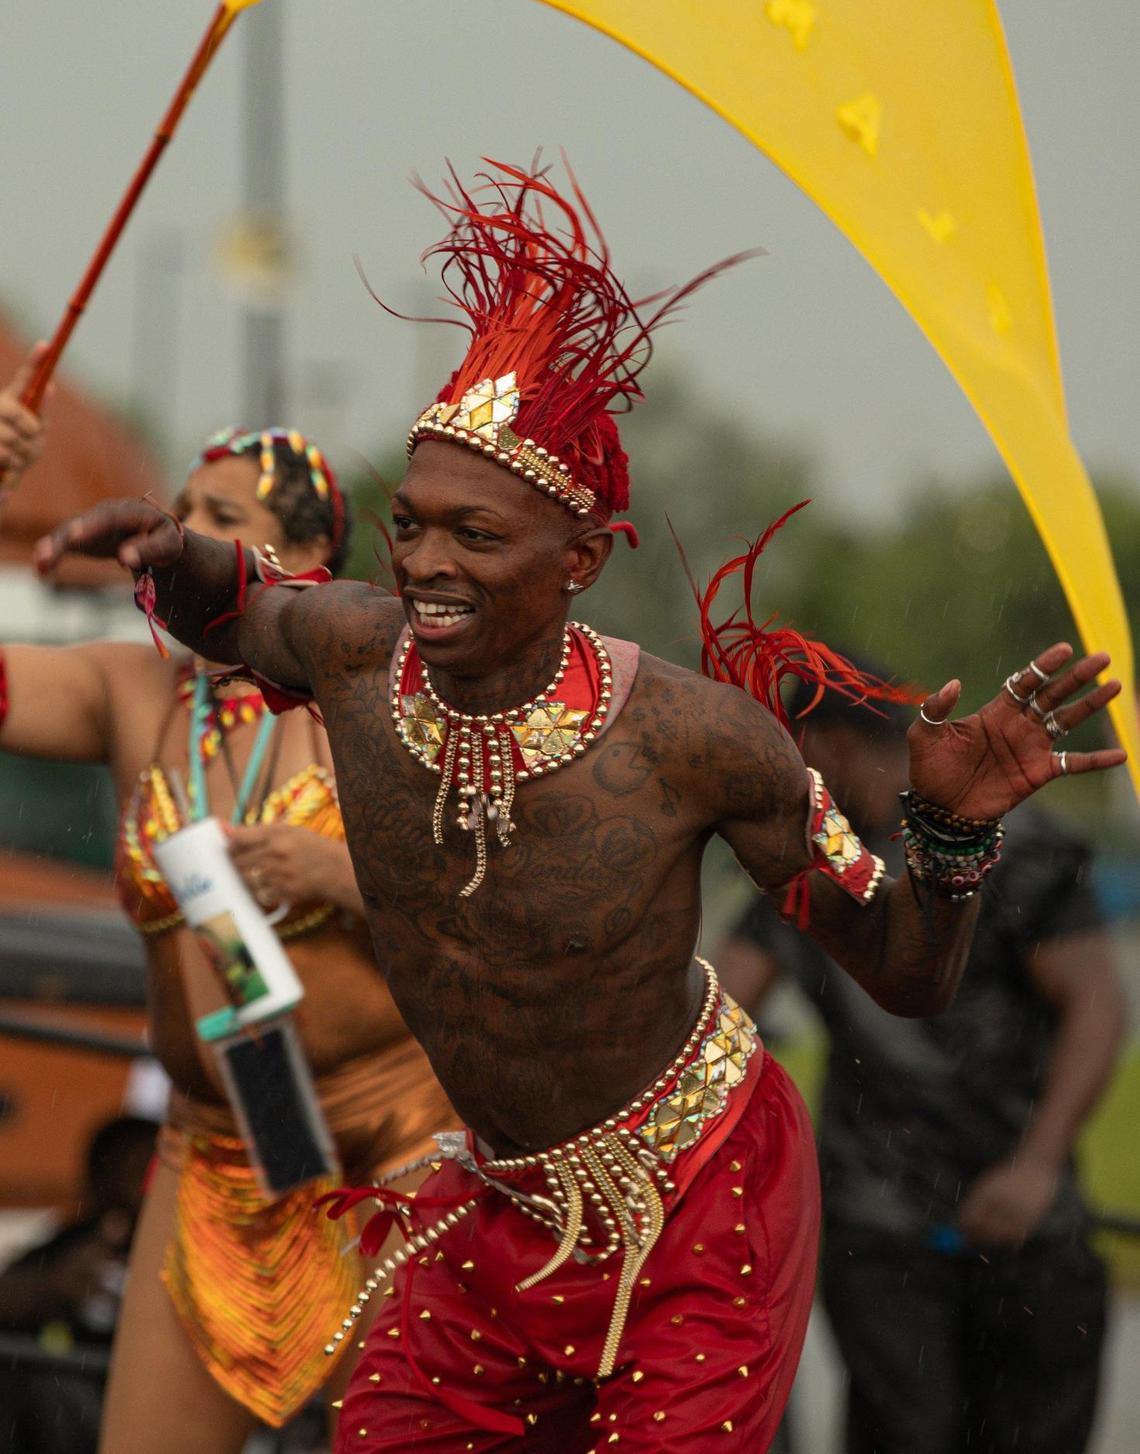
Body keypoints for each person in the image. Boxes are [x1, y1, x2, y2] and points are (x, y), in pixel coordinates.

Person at [32, 163, 1127, 1453]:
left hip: (701, 1202)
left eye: (477, 540)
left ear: (583, 562)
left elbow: (904, 974)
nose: (429, 566)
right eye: (411, 527)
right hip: (493, 1207)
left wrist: (946, 841)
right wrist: (171, 559)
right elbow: (243, 609)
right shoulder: (353, 652)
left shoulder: (697, 743)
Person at [0, 387, 454, 1454]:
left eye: (222, 520)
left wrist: (338, 873)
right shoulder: (132, 692)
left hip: (391, 1142)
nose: (181, 538)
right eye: (181, 509)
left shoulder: (390, 699)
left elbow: (495, 905)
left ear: (304, 561)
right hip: (221, 1144)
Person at [718, 671, 1127, 1454]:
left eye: (778, 751)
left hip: (1025, 1215)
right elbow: (711, 1010)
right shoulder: (805, 864)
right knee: (901, 1433)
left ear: (828, 741)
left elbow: (1097, 1006)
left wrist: (1037, 1166)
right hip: (877, 1230)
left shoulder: (1013, 842)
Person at [0, 1115, 157, 1454]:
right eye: (135, 1169)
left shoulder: (176, 1252)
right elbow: (8, 1294)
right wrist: (54, 1284)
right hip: (74, 1401)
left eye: (150, 1171)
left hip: (143, 1399)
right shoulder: (75, 1242)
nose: (143, 1186)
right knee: (50, 1386)